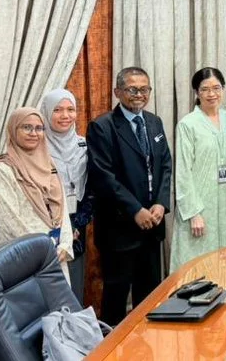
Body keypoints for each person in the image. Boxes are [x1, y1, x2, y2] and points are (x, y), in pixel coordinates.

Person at [87, 67, 172, 326]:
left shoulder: (154, 122)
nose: (139, 95)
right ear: (118, 92)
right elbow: (104, 177)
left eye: (144, 89)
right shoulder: (102, 127)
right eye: (132, 89)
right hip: (120, 229)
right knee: (116, 300)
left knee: (149, 300)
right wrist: (135, 209)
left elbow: (165, 165)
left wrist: (160, 203)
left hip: (152, 227)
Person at [0, 107, 73, 281]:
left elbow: (62, 209)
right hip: (20, 256)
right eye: (26, 127)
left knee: (58, 306)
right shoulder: (2, 169)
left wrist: (64, 244)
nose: (34, 133)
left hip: (55, 255)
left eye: (39, 128)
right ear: (13, 130)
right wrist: (42, 250)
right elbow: (8, 219)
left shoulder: (50, 164)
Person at [171, 67, 226, 271]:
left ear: (224, 89)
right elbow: (182, 172)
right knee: (198, 268)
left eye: (216, 88)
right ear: (196, 93)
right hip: (201, 207)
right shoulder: (188, 124)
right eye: (205, 89)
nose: (212, 94)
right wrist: (194, 213)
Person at [40, 89, 92, 302]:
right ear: (46, 112)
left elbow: (91, 189)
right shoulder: (37, 145)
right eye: (58, 110)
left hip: (77, 225)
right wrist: (60, 228)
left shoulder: (83, 144)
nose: (65, 115)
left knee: (74, 286)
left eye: (70, 110)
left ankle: (74, 333)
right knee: (49, 290)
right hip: (46, 227)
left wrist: (76, 225)